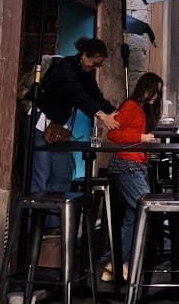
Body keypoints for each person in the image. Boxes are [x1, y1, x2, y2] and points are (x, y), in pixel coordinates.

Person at [32, 37, 115, 195]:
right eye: (94, 63)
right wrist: (101, 116)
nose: (94, 68)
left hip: (58, 126)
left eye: (98, 65)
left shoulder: (86, 75)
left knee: (62, 175)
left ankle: (57, 218)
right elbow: (77, 94)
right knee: (41, 177)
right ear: (84, 55)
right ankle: (34, 218)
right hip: (41, 122)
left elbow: (96, 97)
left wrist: (116, 113)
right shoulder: (64, 69)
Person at [102, 71, 162, 281]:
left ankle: (117, 263)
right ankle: (118, 261)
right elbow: (112, 133)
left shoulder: (141, 109)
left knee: (133, 214)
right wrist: (141, 137)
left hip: (135, 165)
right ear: (146, 88)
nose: (157, 96)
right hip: (127, 164)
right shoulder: (130, 106)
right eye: (155, 91)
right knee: (145, 207)